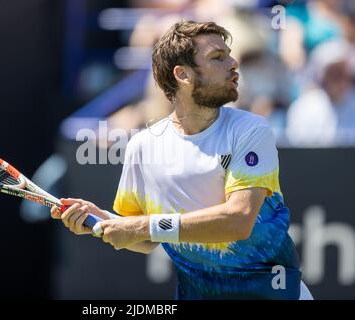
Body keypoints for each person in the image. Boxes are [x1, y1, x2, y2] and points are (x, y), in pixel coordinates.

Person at [51, 21, 313, 300]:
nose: (233, 63)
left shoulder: (250, 130)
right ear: (183, 74)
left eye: (229, 54)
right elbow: (145, 239)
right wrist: (102, 220)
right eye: (218, 57)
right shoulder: (142, 146)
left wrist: (140, 226)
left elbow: (239, 220)